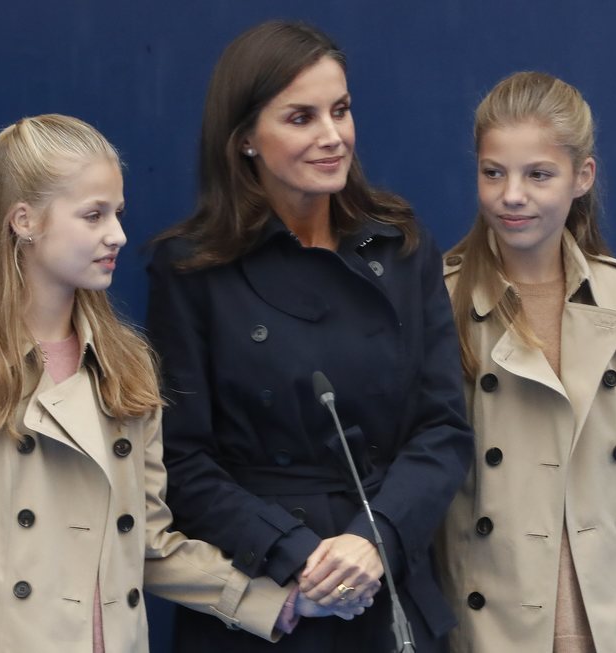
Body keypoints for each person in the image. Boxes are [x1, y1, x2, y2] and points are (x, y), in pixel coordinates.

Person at [0, 114, 361, 653]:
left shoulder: (125, 366)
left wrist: (278, 600)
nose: (116, 234)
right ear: (24, 220)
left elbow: (147, 543)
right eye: (93, 215)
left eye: (117, 213)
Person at [145, 21, 474, 653]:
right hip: (269, 596)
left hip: (382, 583)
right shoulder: (192, 268)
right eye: (301, 118)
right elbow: (181, 462)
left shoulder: (401, 246)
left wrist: (374, 539)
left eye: (341, 111)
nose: (332, 137)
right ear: (244, 139)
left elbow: (443, 430)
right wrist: (296, 554)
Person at [435, 72, 616, 652]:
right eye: (493, 173)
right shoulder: (442, 299)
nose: (512, 194)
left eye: (538, 174)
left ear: (581, 177)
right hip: (492, 630)